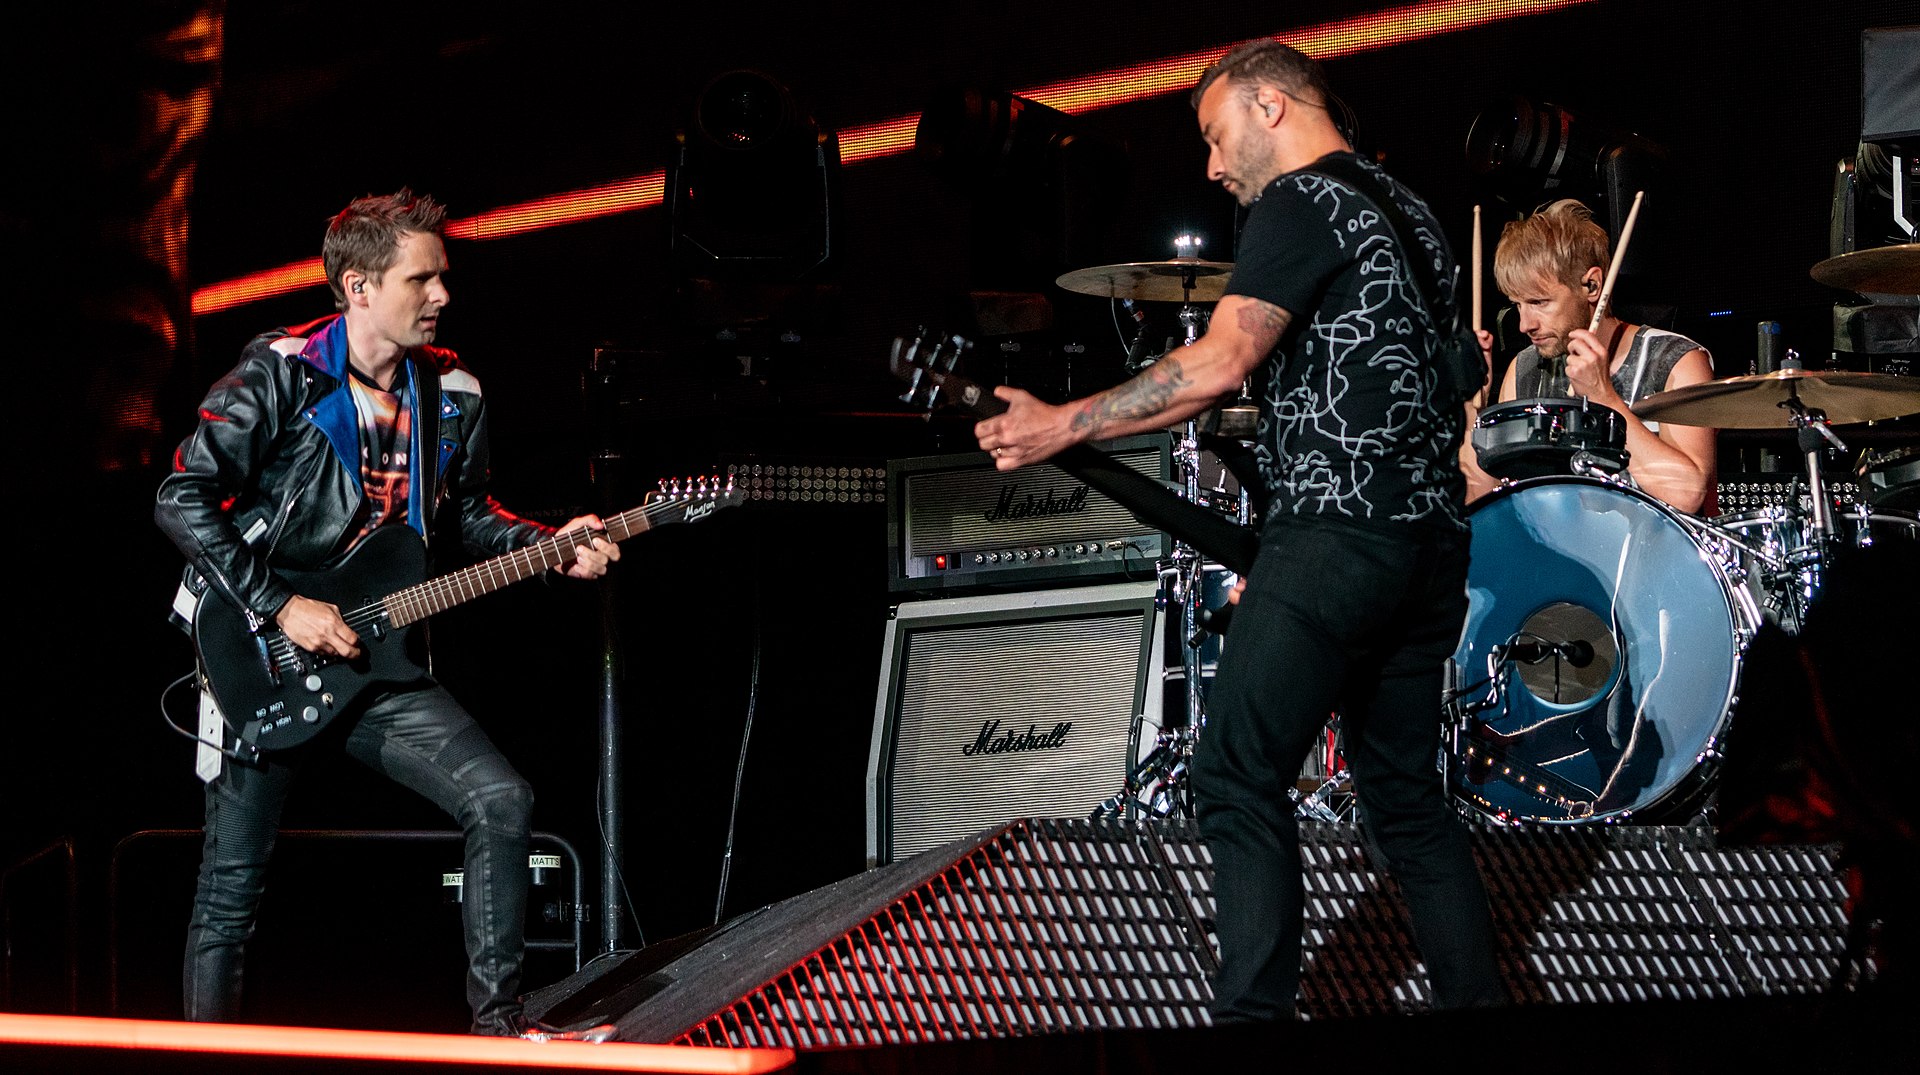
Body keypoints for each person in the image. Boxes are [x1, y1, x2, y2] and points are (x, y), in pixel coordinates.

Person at [974, 40, 1503, 1019]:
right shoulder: (1414, 212)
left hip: (1339, 536)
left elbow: (1219, 363)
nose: (1214, 167)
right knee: (1407, 807)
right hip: (1429, 546)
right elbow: (1452, 374)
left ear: (1271, 106)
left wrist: (1061, 422)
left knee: (1232, 775)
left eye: (1218, 138)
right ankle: (1487, 1025)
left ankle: (1249, 1031)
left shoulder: (1299, 200)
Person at [155, 189, 620, 1036]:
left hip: (378, 658)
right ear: (359, 286)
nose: (442, 294)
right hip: (262, 654)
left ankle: (497, 1032)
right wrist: (280, 604)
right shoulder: (282, 372)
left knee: (501, 800)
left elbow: (467, 515)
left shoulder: (454, 391)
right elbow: (181, 496)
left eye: (443, 277)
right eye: (422, 279)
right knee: (229, 895)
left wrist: (550, 543)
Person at [1462, 199, 1718, 513]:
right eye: (1518, 305)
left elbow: (1688, 495)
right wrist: (1470, 407)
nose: (1524, 325)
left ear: (1592, 285)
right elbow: (1482, 503)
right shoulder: (1525, 370)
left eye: (1539, 302)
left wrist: (1603, 397)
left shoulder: (1674, 361)